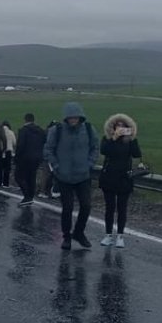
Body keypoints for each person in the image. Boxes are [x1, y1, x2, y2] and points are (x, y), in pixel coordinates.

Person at [44, 102, 99, 249]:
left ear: (80, 117)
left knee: (86, 206)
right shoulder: (57, 130)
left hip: (83, 175)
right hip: (64, 176)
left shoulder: (88, 129)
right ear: (66, 118)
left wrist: (89, 164)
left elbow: (95, 147)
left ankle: (79, 233)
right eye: (70, 117)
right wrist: (56, 167)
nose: (73, 120)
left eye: (76, 117)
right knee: (67, 208)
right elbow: (48, 150)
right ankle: (66, 236)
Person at [99, 114, 143, 249]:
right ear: (113, 127)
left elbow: (137, 154)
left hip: (124, 178)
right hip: (109, 177)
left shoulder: (129, 141)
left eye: (123, 126)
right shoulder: (107, 139)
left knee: (122, 208)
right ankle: (108, 235)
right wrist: (114, 138)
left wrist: (133, 138)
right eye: (118, 125)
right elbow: (104, 151)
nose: (121, 128)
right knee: (110, 207)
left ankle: (120, 236)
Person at [14, 113, 47, 206]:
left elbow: (20, 146)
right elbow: (44, 142)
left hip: (25, 158)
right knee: (31, 177)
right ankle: (30, 197)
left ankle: (27, 196)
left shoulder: (23, 131)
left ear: (25, 120)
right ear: (33, 120)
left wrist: (16, 158)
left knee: (18, 177)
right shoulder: (40, 130)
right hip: (37, 157)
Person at [42, 120, 61, 198]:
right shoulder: (56, 133)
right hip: (52, 156)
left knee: (49, 174)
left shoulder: (48, 132)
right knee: (52, 174)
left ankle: (46, 191)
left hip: (50, 156)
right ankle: (50, 191)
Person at [0, 121, 16, 187]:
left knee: (0, 167)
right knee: (7, 168)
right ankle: (6, 183)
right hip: (8, 151)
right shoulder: (11, 132)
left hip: (0, 151)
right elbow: (14, 142)